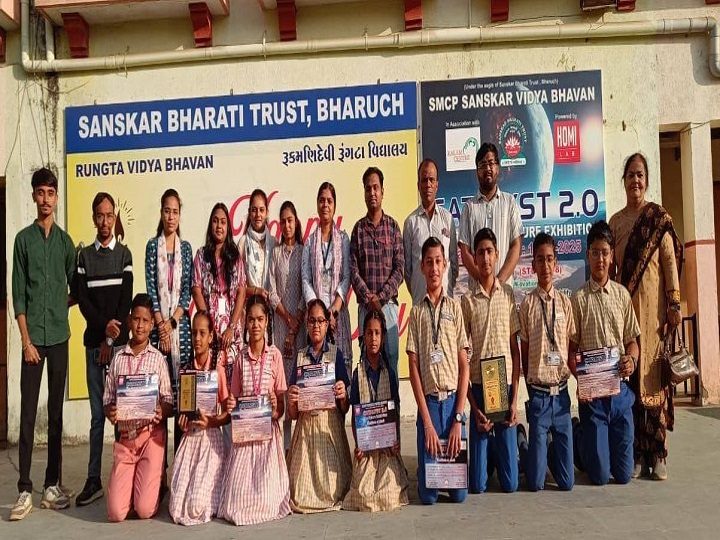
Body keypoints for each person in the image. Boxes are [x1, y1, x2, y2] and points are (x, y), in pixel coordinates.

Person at [609, 153, 682, 481]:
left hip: (654, 321)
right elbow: (611, 272)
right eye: (630, 175)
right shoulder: (616, 223)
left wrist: (674, 306)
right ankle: (637, 453)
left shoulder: (658, 219)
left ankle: (659, 453)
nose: (635, 181)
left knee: (654, 383)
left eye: (640, 175)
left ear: (646, 181)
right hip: (627, 321)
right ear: (623, 181)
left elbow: (670, 264)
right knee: (631, 383)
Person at [10, 167, 76, 521]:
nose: (46, 199)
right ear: (34, 196)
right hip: (33, 341)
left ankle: (52, 485)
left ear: (56, 197)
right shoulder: (23, 241)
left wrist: (59, 308)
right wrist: (26, 340)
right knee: (28, 413)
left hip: (60, 338)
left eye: (51, 193)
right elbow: (18, 295)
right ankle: (24, 488)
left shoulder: (65, 243)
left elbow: (75, 287)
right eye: (41, 192)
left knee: (55, 415)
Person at [570, 220, 640, 486]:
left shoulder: (622, 296)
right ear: (588, 255)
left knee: (623, 476)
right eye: (595, 252)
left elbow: (632, 342)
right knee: (599, 476)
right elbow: (571, 351)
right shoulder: (578, 299)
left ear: (612, 257)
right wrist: (581, 380)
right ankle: (577, 433)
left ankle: (600, 443)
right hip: (594, 400)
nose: (600, 259)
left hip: (619, 395)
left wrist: (631, 360)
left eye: (605, 253)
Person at [75, 192, 133, 507]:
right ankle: (93, 479)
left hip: (119, 348)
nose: (105, 221)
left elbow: (125, 303)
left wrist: (111, 340)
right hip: (93, 348)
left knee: (123, 416)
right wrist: (102, 335)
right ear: (94, 217)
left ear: (115, 217)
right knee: (98, 417)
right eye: (100, 215)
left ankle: (124, 477)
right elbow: (84, 302)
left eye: (110, 215)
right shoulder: (84, 257)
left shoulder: (124, 255)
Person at [407, 236, 469, 505]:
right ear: (422, 267)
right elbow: (413, 368)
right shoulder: (416, 313)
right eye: (429, 262)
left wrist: (458, 419)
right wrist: (427, 424)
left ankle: (441, 461)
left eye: (438, 262)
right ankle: (427, 463)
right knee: (428, 497)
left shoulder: (455, 308)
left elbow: (464, 366)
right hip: (430, 407)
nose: (434, 268)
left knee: (459, 496)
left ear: (445, 266)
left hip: (453, 404)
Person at [218, 295, 291, 525]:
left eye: (260, 319)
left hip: (268, 441)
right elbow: (234, 400)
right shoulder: (240, 358)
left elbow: (281, 410)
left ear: (267, 321)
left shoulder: (275, 356)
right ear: (245, 323)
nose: (255, 325)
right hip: (245, 439)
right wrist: (231, 406)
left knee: (268, 502)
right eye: (251, 320)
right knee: (237, 504)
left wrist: (275, 408)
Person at [103, 293, 174, 522]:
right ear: (129, 320)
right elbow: (107, 399)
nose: (140, 326)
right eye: (136, 319)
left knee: (143, 510)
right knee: (116, 513)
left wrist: (162, 410)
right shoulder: (118, 358)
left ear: (152, 324)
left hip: (150, 438)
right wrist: (110, 411)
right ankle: (135, 485)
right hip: (126, 440)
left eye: (145, 321)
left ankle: (156, 482)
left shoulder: (158, 359)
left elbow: (168, 399)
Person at [461, 228, 520, 494]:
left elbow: (515, 351)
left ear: (497, 255)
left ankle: (515, 440)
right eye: (480, 252)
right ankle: (490, 450)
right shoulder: (467, 301)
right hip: (479, 389)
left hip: (503, 388)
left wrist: (515, 399)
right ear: (474, 258)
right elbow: (462, 356)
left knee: (510, 484)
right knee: (478, 485)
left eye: (489, 252)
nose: (485, 258)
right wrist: (474, 409)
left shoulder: (507, 295)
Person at [516, 233, 575, 492]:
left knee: (567, 483)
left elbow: (571, 347)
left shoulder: (565, 303)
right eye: (540, 260)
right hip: (539, 397)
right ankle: (523, 443)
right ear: (533, 265)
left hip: (561, 396)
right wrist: (532, 391)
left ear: (556, 263)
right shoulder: (527, 305)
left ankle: (551, 447)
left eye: (549, 259)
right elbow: (525, 352)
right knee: (536, 484)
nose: (545, 265)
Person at [287, 299, 352, 513]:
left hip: (328, 427)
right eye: (312, 321)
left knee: (333, 490)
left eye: (320, 321)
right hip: (305, 430)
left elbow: (344, 408)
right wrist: (292, 400)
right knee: (299, 492)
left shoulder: (336, 354)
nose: (316, 326)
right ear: (307, 324)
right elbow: (293, 415)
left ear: (327, 324)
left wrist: (342, 395)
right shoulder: (300, 356)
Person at [343, 309, 409, 512]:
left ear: (383, 337)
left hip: (386, 449)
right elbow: (355, 414)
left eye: (377, 333)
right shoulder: (358, 374)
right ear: (363, 337)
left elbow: (394, 412)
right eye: (369, 333)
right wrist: (359, 444)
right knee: (363, 495)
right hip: (367, 449)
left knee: (389, 493)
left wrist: (396, 442)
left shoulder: (389, 373)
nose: (373, 338)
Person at [145, 188, 193, 456]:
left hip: (181, 331)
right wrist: (161, 327)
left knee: (183, 400)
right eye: (167, 211)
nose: (171, 216)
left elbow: (186, 292)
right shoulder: (152, 247)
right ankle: (159, 469)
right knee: (161, 398)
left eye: (175, 212)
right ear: (161, 213)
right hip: (157, 331)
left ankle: (180, 465)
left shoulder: (186, 249)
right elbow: (151, 289)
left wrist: (172, 324)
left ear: (180, 214)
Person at [169, 311, 229, 525]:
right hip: (190, 439)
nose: (197, 338)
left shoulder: (217, 371)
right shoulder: (186, 370)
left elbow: (227, 414)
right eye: (194, 333)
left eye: (202, 333)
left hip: (211, 439)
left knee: (195, 506)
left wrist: (212, 421)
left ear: (211, 336)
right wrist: (182, 422)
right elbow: (182, 412)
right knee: (176, 506)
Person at [350, 167, 404, 379]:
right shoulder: (358, 229)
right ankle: (368, 403)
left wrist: (380, 298)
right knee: (368, 364)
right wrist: (369, 298)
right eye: (368, 188)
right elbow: (353, 270)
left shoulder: (393, 227)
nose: (372, 193)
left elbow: (399, 268)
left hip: (388, 307)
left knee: (391, 362)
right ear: (364, 193)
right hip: (365, 308)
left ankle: (394, 402)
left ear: (383, 191)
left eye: (376, 188)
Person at [302, 182, 352, 373]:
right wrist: (319, 312)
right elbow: (305, 279)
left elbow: (346, 277)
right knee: (316, 370)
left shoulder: (343, 239)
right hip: (316, 318)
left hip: (337, 315)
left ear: (334, 205)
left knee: (340, 370)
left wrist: (333, 311)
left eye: (329, 201)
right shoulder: (310, 242)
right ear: (317, 204)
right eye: (322, 200)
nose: (325, 205)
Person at [458, 142, 523, 288]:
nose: (487, 168)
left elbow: (516, 246)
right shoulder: (469, 207)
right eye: (483, 165)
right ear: (477, 171)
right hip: (477, 293)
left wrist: (498, 282)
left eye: (491, 163)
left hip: (504, 291)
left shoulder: (509, 202)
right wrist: (484, 283)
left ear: (498, 168)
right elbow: (465, 252)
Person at [269, 200, 306, 449]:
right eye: (282, 221)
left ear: (296, 222)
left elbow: (305, 291)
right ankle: (283, 447)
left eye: (290, 220)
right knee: (282, 387)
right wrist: (287, 319)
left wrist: (296, 324)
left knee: (298, 387)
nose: (286, 225)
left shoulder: (304, 252)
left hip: (300, 330)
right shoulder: (275, 253)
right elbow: (272, 292)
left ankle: (299, 447)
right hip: (282, 328)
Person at [403, 158, 458, 305]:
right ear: (418, 185)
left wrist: (445, 287)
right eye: (424, 180)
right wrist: (418, 291)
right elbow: (407, 271)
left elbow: (453, 263)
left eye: (431, 180)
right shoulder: (410, 223)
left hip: (446, 303)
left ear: (437, 185)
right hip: (420, 302)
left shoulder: (448, 219)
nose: (428, 184)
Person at [191, 202, 246, 350]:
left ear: (228, 227)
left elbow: (241, 293)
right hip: (209, 333)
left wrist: (231, 327)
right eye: (215, 221)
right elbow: (196, 290)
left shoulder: (235, 257)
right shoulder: (201, 255)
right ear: (210, 225)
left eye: (223, 222)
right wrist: (210, 327)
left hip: (232, 332)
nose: (219, 226)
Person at [238, 189, 276, 303]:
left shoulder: (274, 243)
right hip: (249, 307)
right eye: (254, 210)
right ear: (249, 213)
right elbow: (237, 285)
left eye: (261, 210)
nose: (258, 215)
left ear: (267, 213)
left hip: (270, 308)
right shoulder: (243, 242)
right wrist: (256, 291)